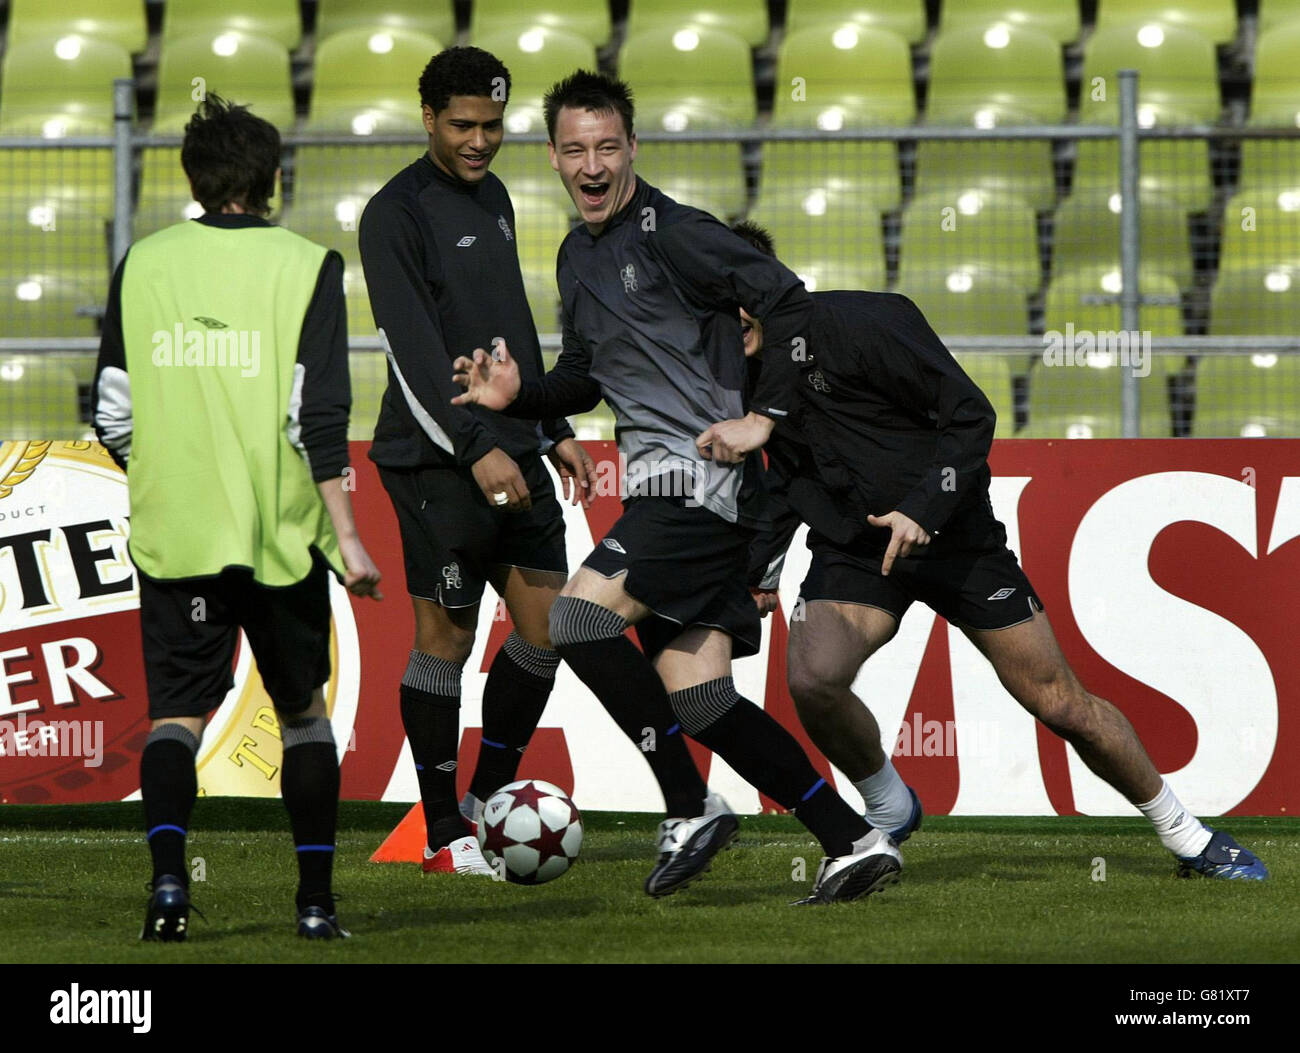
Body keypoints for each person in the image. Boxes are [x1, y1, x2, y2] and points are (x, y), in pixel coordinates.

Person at [451, 71, 905, 904]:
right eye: (576, 149)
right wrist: (525, 398)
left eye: (608, 147)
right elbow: (587, 375)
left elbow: (787, 299)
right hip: (663, 490)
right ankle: (853, 838)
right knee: (703, 702)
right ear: (552, 156)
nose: (592, 165)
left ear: (633, 148)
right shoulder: (575, 254)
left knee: (577, 620)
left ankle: (688, 802)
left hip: (705, 485)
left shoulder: (677, 232)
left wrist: (764, 415)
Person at [725, 219, 1268, 882]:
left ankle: (1189, 835)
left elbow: (971, 415)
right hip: (857, 547)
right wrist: (760, 570)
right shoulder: (741, 372)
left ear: (775, 290)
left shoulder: (870, 321)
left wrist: (922, 509)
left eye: (738, 293)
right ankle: (890, 807)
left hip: (955, 536)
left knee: (1059, 701)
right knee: (813, 678)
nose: (727, 312)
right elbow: (784, 478)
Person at [93, 95, 384, 942]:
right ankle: (316, 903)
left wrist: (163, 477)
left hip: (178, 530)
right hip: (279, 535)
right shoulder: (306, 264)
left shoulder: (142, 261)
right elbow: (316, 416)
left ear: (190, 175)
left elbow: (113, 411)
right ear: (273, 180)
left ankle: (170, 888)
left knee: (177, 719)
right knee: (304, 717)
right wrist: (352, 537)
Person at [358, 47, 599, 876]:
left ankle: (486, 808)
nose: (480, 140)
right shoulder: (393, 214)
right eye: (463, 125)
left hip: (513, 444)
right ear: (428, 118)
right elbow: (413, 352)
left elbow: (510, 322)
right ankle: (437, 829)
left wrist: (549, 416)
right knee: (447, 638)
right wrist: (476, 447)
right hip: (435, 462)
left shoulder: (494, 196)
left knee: (544, 629)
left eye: (493, 125)